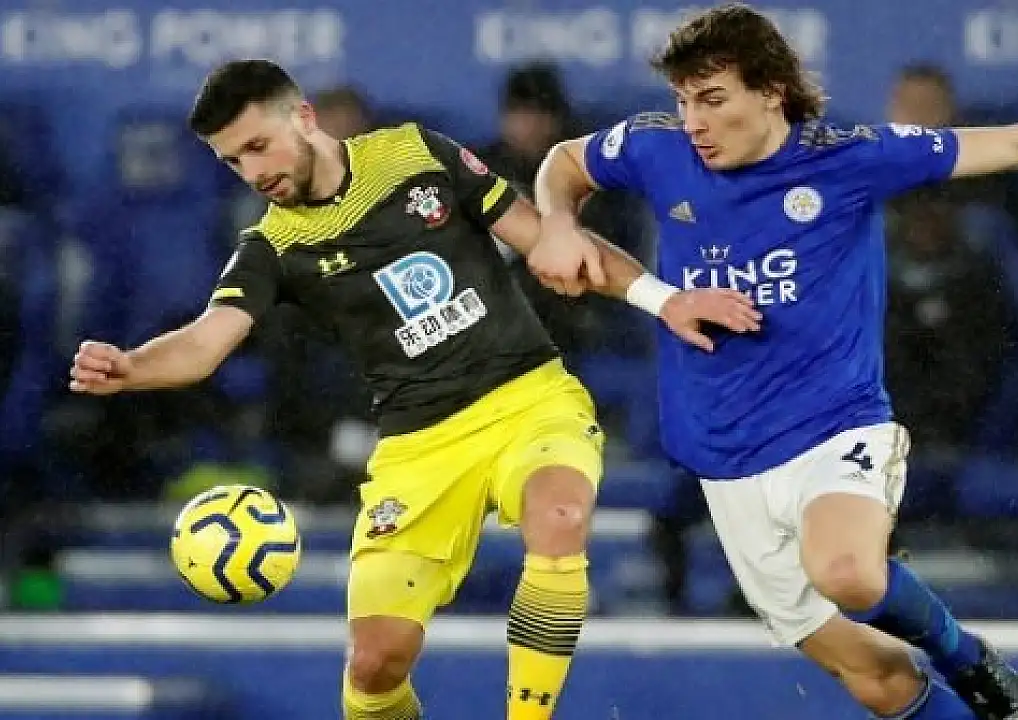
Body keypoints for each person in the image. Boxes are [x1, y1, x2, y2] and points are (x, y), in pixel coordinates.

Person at [528, 4, 1018, 720]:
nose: (693, 120)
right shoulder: (657, 149)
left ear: (772, 91)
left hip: (832, 430)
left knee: (848, 572)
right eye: (683, 100)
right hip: (724, 464)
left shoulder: (850, 159)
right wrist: (559, 220)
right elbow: (564, 163)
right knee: (879, 682)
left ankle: (968, 658)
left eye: (713, 99)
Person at [67, 59, 757, 720]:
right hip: (418, 450)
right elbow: (205, 342)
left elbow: (551, 241)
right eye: (233, 163)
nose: (254, 172)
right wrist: (131, 366)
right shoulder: (272, 247)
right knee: (375, 665)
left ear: (302, 117)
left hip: (528, 400)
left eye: (257, 146)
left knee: (559, 518)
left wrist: (666, 300)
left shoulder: (415, 154)